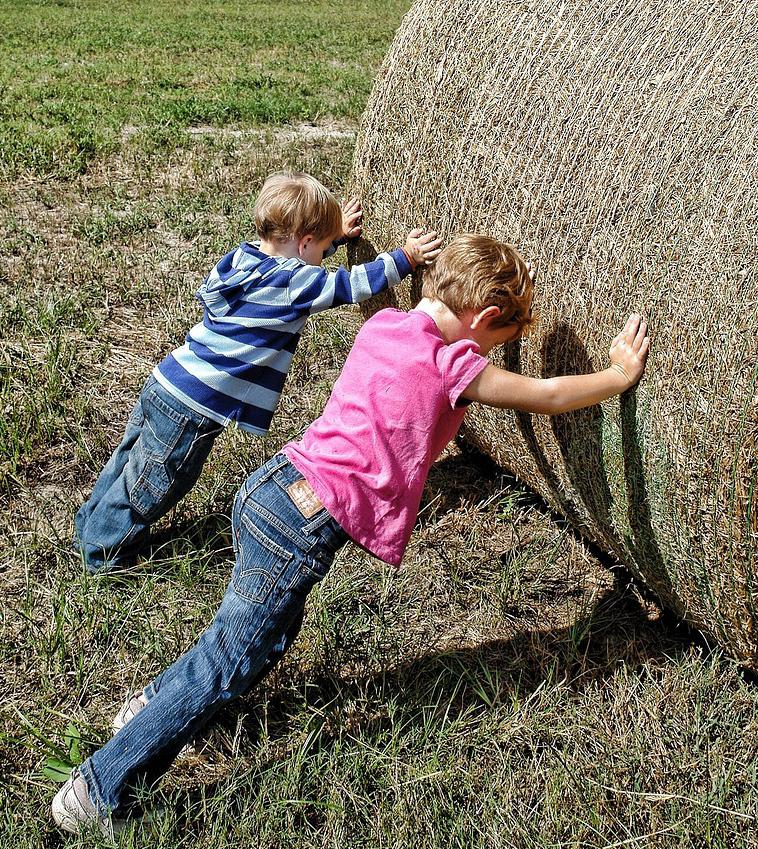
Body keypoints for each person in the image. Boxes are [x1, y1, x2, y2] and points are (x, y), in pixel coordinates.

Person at [52, 234, 650, 836]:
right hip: (301, 524)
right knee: (229, 660)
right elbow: (546, 397)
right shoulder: (452, 364)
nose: (493, 356)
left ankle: (154, 706)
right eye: (497, 342)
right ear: (486, 318)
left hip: (274, 489)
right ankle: (99, 788)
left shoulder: (387, 324)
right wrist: (616, 377)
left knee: (262, 641)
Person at [74, 171, 441, 573]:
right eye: (320, 248)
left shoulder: (244, 257)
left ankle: (90, 525)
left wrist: (332, 239)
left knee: (127, 460)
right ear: (303, 243)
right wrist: (405, 258)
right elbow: (350, 285)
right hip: (195, 406)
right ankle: (105, 555)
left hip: (169, 380)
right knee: (153, 482)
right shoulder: (293, 281)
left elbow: (297, 266)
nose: (323, 258)